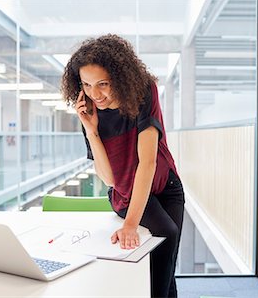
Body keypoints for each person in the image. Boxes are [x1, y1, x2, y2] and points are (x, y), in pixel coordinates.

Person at [61, 34, 184, 298]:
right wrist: (92, 131)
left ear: (119, 76)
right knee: (167, 236)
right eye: (87, 85)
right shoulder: (90, 112)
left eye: (103, 84)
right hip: (127, 192)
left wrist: (130, 225)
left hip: (166, 184)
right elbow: (110, 180)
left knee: (168, 268)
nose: (96, 94)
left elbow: (148, 162)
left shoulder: (142, 93)